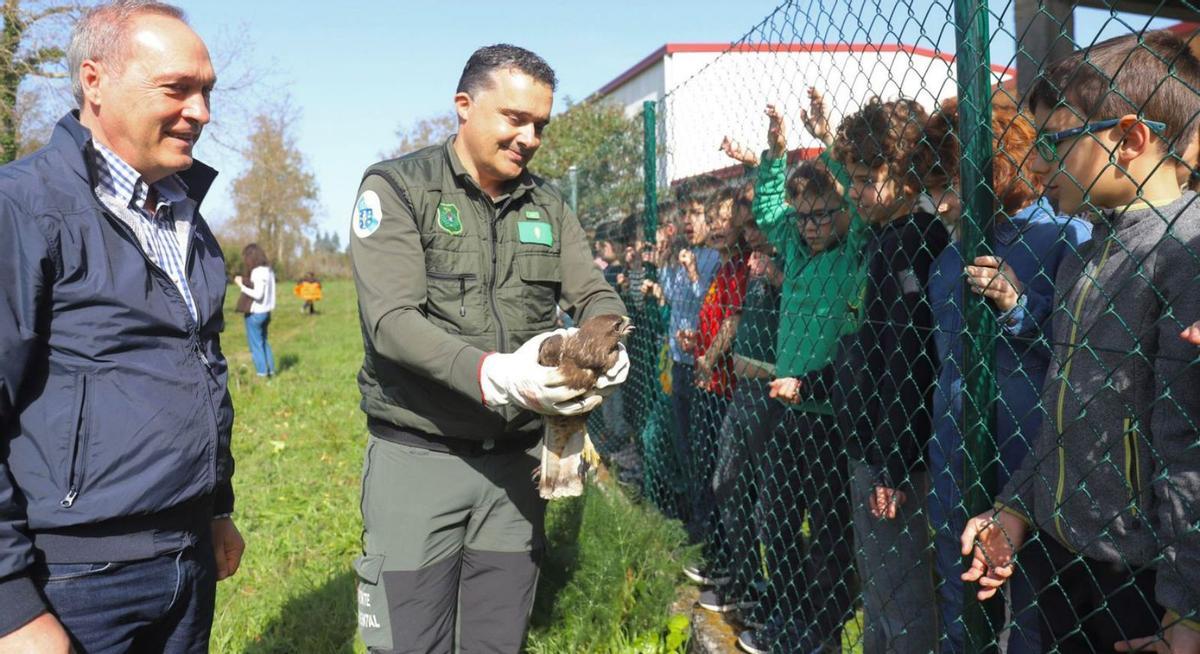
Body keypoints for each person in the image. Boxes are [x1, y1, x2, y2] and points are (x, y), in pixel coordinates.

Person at [348, 44, 628, 653]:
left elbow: (594, 292)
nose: (529, 137)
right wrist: (495, 375)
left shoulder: (549, 205)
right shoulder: (397, 189)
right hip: (420, 456)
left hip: (515, 468)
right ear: (464, 107)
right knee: (407, 644)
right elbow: (392, 321)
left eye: (540, 126)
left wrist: (608, 336)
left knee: (496, 642)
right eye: (513, 118)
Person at [0, 2, 243, 651]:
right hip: (74, 580)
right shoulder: (21, 210)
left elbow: (202, 366)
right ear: (95, 81)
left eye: (207, 91)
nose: (202, 112)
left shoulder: (185, 216)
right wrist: (12, 606)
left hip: (188, 561)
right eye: (178, 89)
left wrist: (215, 507)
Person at [961, 30, 1200, 652]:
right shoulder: (1087, 251)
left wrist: (1188, 611)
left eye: (1054, 142)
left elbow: (1187, 451)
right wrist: (1015, 507)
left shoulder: (1184, 258)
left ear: (1130, 139)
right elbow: (1061, 409)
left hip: (1144, 579)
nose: (1038, 164)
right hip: (1066, 549)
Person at [917, 97, 1091, 653]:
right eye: (931, 185)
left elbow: (1082, 353)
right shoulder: (948, 256)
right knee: (958, 601)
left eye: (951, 182)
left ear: (997, 168)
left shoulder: (1069, 239)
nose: (940, 202)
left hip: (1033, 460)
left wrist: (1019, 305)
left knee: (1034, 617)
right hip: (955, 454)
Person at [738, 100, 867, 654]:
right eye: (804, 217)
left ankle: (825, 631)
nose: (811, 227)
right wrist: (775, 153)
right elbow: (770, 210)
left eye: (821, 215)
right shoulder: (795, 241)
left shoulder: (854, 250)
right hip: (787, 412)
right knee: (777, 522)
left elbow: (854, 206)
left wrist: (830, 144)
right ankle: (791, 616)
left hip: (830, 415)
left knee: (833, 535)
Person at [830, 95, 947, 653]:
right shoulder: (882, 237)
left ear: (903, 174)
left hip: (895, 458)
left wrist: (894, 466)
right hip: (872, 444)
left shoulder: (917, 243)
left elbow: (911, 360)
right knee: (879, 594)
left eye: (862, 177)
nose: (851, 191)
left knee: (902, 602)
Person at [684, 188, 751, 613]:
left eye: (727, 217)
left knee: (727, 482)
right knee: (708, 472)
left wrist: (710, 355)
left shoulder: (743, 267)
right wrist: (698, 342)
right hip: (710, 383)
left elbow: (734, 318)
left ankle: (732, 566)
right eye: (714, 218)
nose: (719, 225)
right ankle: (717, 555)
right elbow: (714, 317)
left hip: (727, 387)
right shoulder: (722, 268)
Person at [235, 243, 277, 377]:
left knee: (256, 346)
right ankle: (271, 371)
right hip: (266, 312)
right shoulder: (269, 270)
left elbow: (258, 294)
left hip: (255, 313)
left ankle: (262, 374)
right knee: (264, 342)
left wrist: (241, 285)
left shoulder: (257, 272)